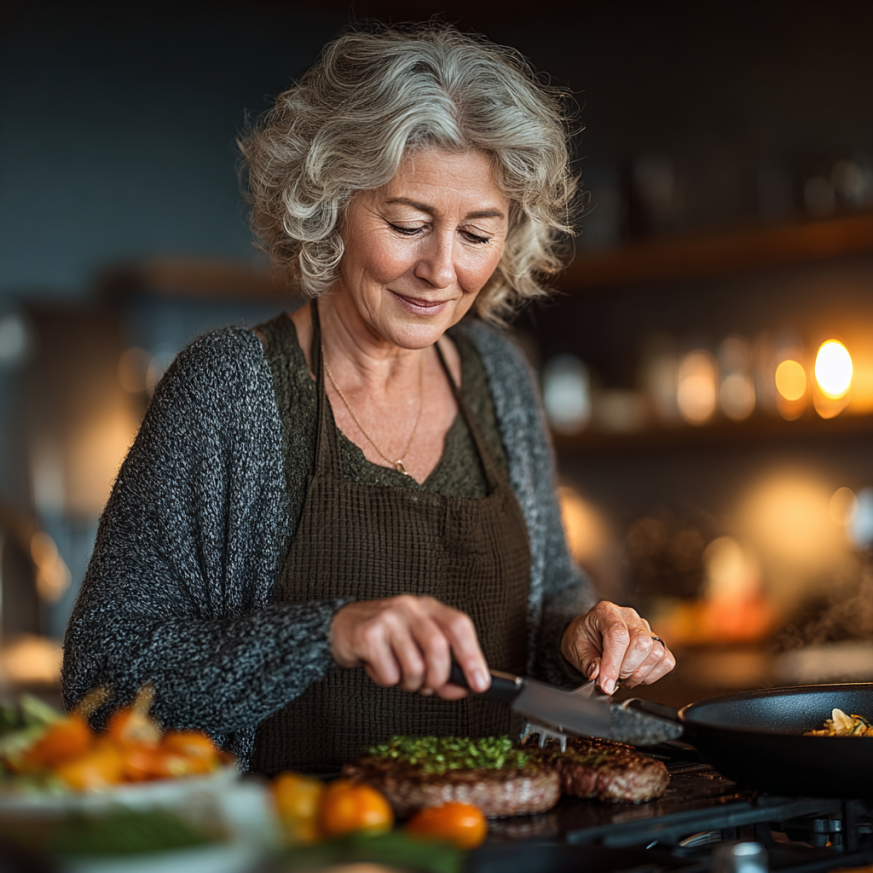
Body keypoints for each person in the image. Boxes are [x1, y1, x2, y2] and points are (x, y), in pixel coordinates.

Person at [61, 23, 675, 774]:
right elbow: (104, 678)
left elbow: (546, 601)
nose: (440, 269)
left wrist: (581, 634)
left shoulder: (498, 375)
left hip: (496, 840)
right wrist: (328, 633)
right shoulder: (228, 390)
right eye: (407, 224)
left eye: (477, 233)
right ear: (328, 204)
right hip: (294, 846)